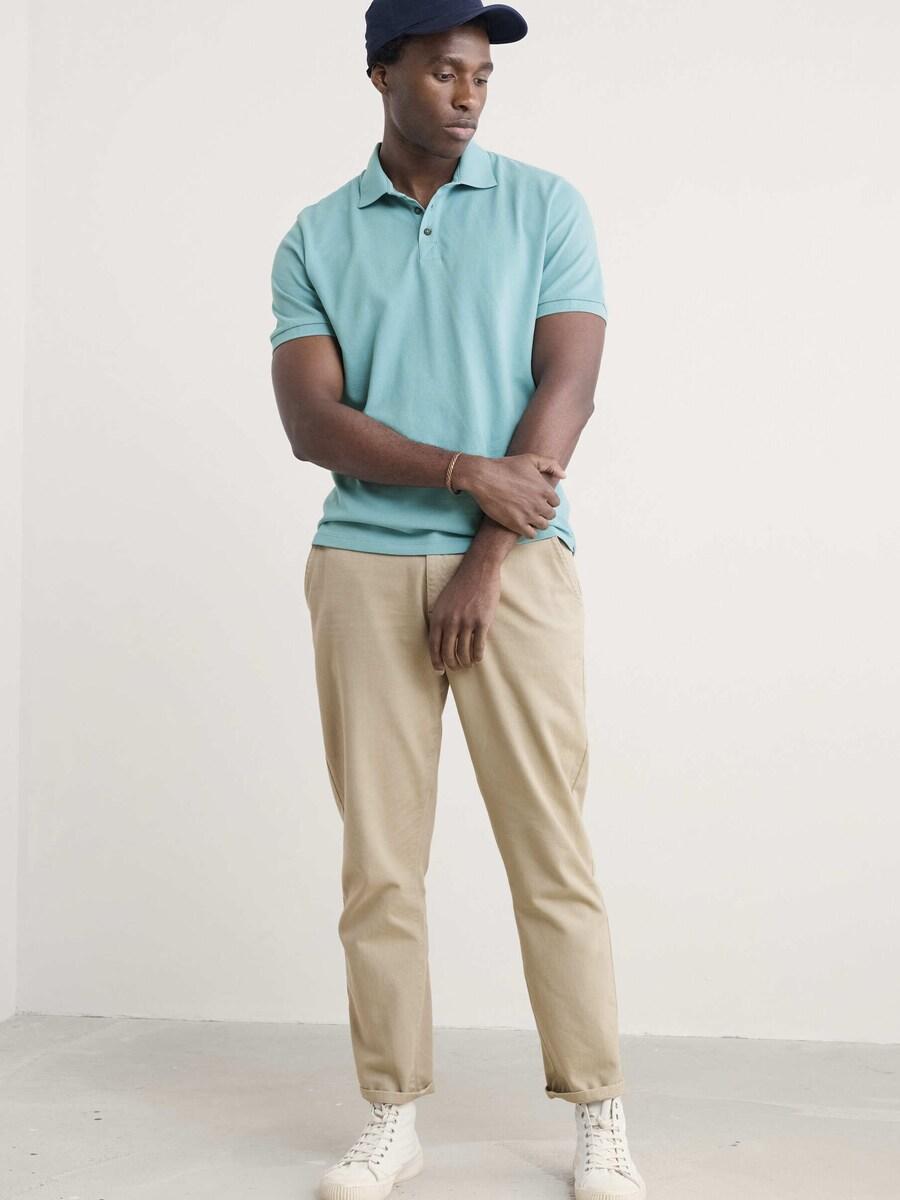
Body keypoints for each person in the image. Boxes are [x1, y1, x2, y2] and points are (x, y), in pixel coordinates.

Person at [269, 2, 646, 1197]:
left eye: (482, 73)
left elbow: (568, 387)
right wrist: (458, 471)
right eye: (443, 71)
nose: (471, 93)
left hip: (518, 564)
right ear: (382, 73)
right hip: (363, 564)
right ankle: (392, 1116)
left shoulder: (545, 207)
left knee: (550, 847)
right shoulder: (315, 236)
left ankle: (597, 1112)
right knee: (380, 864)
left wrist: (484, 551)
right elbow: (311, 421)